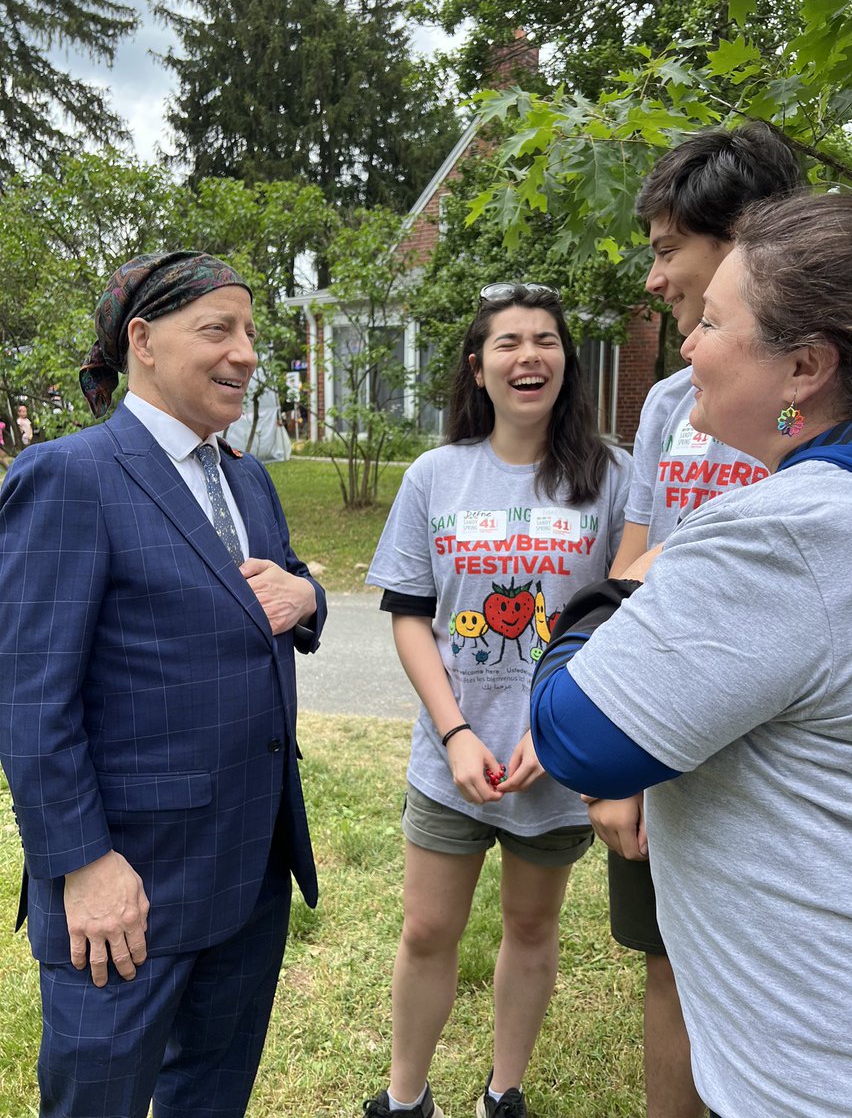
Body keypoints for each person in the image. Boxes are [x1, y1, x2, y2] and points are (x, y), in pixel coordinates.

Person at [531, 193, 852, 1118]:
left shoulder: (796, 532)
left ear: (805, 367)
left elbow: (576, 733)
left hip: (827, 1075)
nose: (688, 344)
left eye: (713, 323)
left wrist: (620, 590)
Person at [0, 251, 327, 1118]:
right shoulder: (70, 476)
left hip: (250, 869)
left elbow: (284, 582)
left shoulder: (247, 477)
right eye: (218, 329)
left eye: (250, 331)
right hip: (126, 890)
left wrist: (309, 598)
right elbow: (29, 699)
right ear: (142, 341)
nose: (246, 352)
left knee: (212, 1098)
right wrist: (82, 865)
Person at [362, 283, 632, 1118]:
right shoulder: (435, 475)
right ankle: (406, 1099)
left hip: (555, 756)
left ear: (566, 363)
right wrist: (453, 734)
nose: (529, 356)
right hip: (453, 756)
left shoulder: (612, 477)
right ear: (478, 369)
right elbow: (410, 615)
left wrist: (560, 733)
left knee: (533, 928)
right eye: (509, 343)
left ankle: (502, 1092)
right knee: (426, 930)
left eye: (546, 340)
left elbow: (626, 615)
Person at [603, 120, 803, 1118]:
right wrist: (621, 760)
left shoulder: (837, 403)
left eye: (668, 250)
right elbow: (631, 565)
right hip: (671, 745)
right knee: (671, 967)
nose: (655, 279)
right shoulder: (668, 403)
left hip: (792, 762)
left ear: (746, 244)